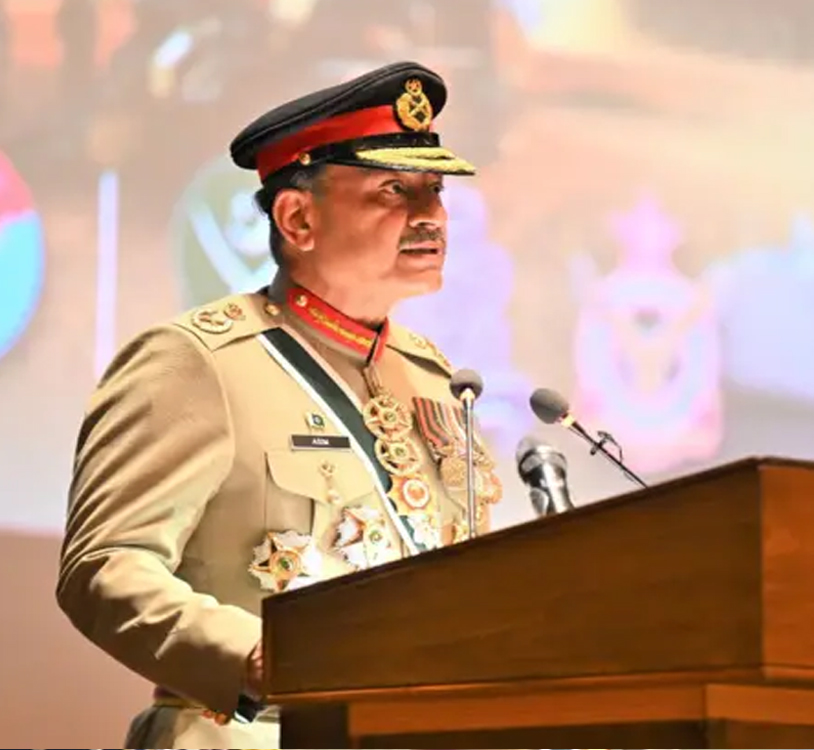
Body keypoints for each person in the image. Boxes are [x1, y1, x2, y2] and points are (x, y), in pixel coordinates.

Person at [56, 60, 503, 750]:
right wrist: (256, 655)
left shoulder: (434, 379)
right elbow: (106, 566)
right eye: (394, 190)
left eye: (435, 191)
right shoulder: (199, 361)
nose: (431, 217)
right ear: (297, 218)